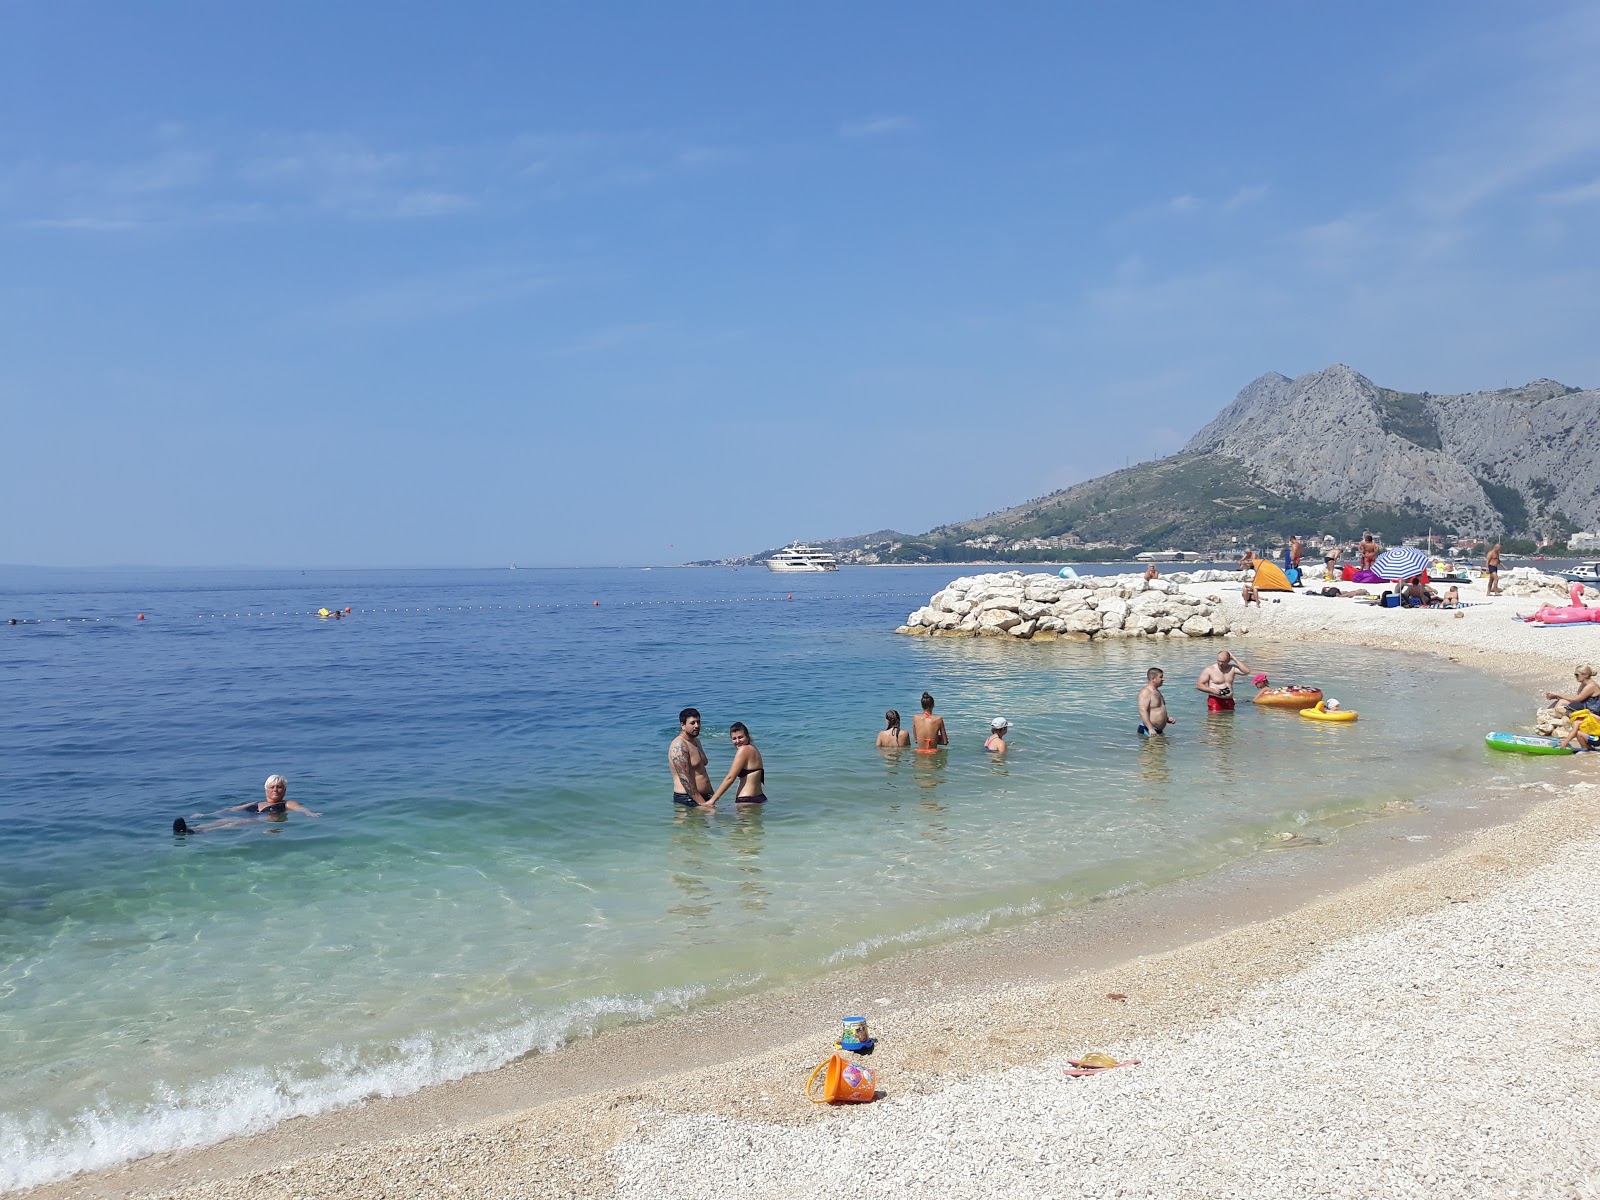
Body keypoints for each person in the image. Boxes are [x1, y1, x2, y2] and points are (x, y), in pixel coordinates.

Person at [173, 774, 321, 833]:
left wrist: (309, 813)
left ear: (284, 790)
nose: (276, 789)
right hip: (251, 817)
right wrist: (206, 814)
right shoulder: (256, 803)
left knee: (233, 823)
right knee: (226, 819)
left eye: (279, 786)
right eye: (272, 787)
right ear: (266, 789)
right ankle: (191, 829)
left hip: (263, 821)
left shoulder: (286, 803)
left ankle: (201, 832)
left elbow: (299, 808)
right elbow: (232, 809)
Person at [708, 721, 767, 804]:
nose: (737, 741)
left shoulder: (744, 749)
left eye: (740, 737)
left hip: (747, 800)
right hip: (760, 797)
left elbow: (730, 778)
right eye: (734, 738)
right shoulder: (754, 749)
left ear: (747, 736)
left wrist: (712, 800)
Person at [1547, 666, 1600, 751]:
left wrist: (1557, 695)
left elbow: (1576, 700)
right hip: (1586, 709)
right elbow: (1577, 699)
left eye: (1576, 675)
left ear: (1585, 675)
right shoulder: (1584, 685)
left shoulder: (1590, 686)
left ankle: (1586, 749)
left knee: (1561, 702)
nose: (1575, 677)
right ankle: (1548, 720)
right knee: (1559, 702)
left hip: (1591, 711)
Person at [669, 707, 714, 808]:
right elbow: (685, 779)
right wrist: (703, 804)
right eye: (692, 723)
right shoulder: (680, 746)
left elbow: (701, 771)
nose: (697, 726)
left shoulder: (696, 741)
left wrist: (712, 795)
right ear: (683, 725)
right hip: (688, 799)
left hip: (703, 797)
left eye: (698, 722)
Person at [1138, 667, 1176, 735]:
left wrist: (1166, 719)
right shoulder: (1146, 692)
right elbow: (1143, 711)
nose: (1163, 679)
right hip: (1148, 730)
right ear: (1153, 679)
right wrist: (1150, 728)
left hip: (1157, 731)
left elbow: (1156, 709)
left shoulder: (1156, 691)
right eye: (1161, 677)